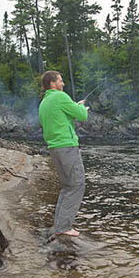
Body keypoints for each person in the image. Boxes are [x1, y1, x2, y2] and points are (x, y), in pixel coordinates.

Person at [38, 70, 89, 237]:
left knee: (67, 187)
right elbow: (82, 116)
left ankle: (60, 225)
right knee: (77, 184)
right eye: (60, 80)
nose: (63, 83)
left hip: (54, 148)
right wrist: (81, 106)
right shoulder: (60, 96)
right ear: (53, 83)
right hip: (67, 147)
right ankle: (64, 227)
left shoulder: (45, 101)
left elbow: (60, 116)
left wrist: (73, 105)